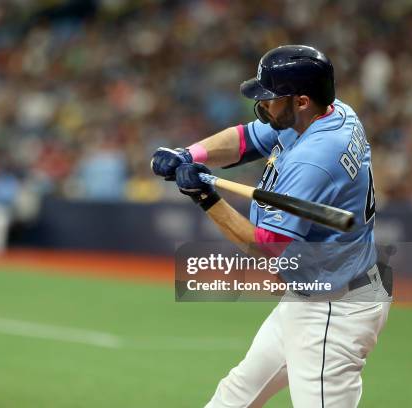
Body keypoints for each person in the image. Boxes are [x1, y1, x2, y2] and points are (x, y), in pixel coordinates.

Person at [151, 45, 391, 407]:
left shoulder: (315, 159)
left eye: (271, 99)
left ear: (303, 100)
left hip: (333, 309)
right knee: (234, 397)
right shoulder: (330, 112)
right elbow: (247, 139)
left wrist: (204, 198)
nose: (263, 106)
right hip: (315, 290)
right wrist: (190, 155)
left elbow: (266, 246)